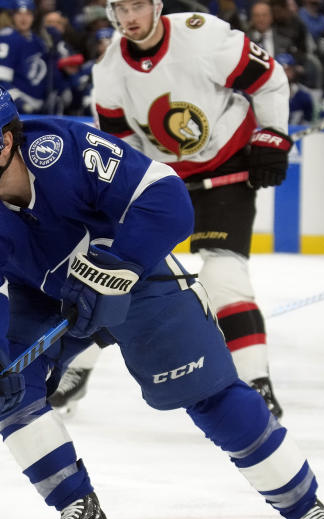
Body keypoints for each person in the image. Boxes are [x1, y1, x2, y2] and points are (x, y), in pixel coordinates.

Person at [0, 79, 324, 519]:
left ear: (6, 141)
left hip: (136, 277)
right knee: (8, 388)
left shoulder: (66, 149)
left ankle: (305, 506)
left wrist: (121, 263)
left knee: (211, 392)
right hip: (43, 297)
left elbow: (167, 198)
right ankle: (79, 513)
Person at [86, 0, 293, 418]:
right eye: (120, 9)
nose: (130, 18)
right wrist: (131, 188)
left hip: (228, 166)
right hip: (166, 183)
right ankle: (75, 369)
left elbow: (270, 80)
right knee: (112, 271)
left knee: (222, 274)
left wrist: (272, 135)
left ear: (157, 5)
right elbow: (120, 143)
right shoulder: (108, 70)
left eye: (138, 6)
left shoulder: (204, 35)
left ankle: (256, 384)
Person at [0, 0, 49, 114]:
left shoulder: (38, 42)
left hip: (39, 107)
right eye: (19, 14)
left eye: (28, 14)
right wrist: (19, 102)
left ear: (33, 17)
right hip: (16, 109)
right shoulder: (6, 38)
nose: (23, 18)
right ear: (12, 16)